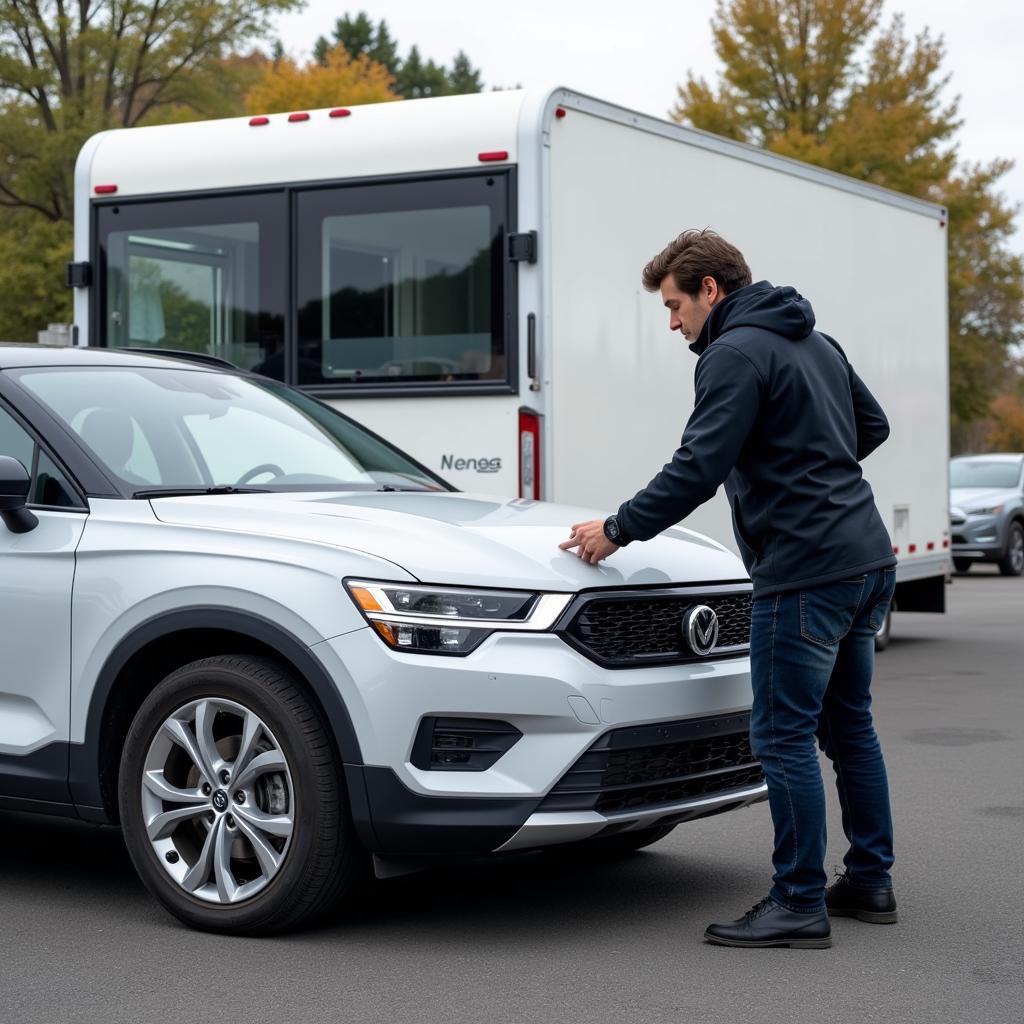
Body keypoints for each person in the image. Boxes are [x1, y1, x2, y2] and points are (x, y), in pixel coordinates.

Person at [559, 229, 899, 950]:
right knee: (850, 729)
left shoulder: (733, 354)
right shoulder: (818, 342)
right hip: (867, 558)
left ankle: (799, 902)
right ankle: (870, 880)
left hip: (805, 572)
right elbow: (871, 426)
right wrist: (810, 465)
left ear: (710, 290)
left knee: (782, 737)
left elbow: (698, 466)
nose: (673, 322)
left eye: (676, 305)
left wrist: (616, 529)